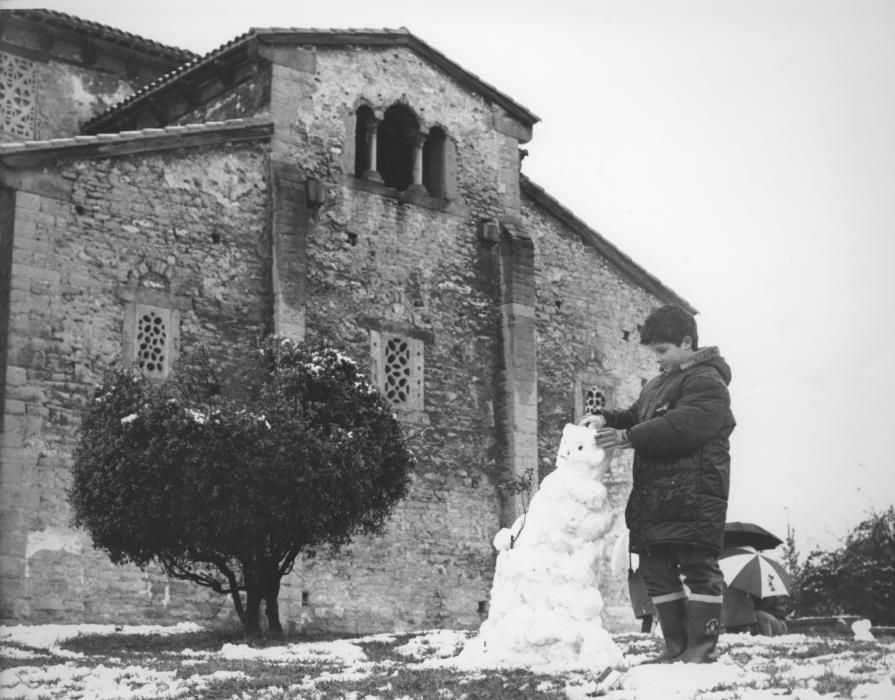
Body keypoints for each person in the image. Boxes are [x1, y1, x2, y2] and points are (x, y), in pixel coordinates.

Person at [580, 304, 735, 663]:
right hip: (656, 497)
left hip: (694, 495)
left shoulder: (708, 381)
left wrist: (627, 435)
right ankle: (676, 646)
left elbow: (684, 425)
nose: (658, 360)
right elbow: (638, 416)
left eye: (663, 351)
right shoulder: (657, 385)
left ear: (686, 342)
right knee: (653, 568)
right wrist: (607, 417)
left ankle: (701, 648)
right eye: (654, 354)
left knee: (699, 568)